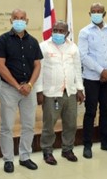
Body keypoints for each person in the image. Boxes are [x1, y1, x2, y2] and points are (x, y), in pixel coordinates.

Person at [0, 8, 42, 173]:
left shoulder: (33, 41)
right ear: (11, 20)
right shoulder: (2, 40)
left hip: (29, 89)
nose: (19, 20)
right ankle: (8, 159)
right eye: (16, 18)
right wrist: (17, 86)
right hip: (9, 89)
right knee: (7, 126)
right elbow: (0, 66)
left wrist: (29, 85)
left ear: (27, 21)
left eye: (22, 18)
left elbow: (37, 65)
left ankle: (25, 156)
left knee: (28, 125)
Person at [36, 21, 85, 165]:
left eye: (61, 31)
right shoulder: (44, 46)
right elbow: (39, 70)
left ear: (67, 33)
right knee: (49, 125)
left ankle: (67, 149)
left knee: (71, 123)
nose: (57, 33)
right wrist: (39, 91)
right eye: (55, 30)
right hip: (51, 93)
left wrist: (80, 89)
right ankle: (47, 151)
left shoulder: (73, 47)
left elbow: (77, 69)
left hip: (70, 92)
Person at [78, 2, 107, 158]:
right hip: (91, 78)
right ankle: (87, 145)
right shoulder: (84, 32)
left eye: (99, 11)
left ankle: (105, 142)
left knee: (106, 110)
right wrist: (101, 70)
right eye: (93, 11)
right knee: (90, 112)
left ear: (104, 13)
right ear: (89, 14)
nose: (96, 13)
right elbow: (83, 56)